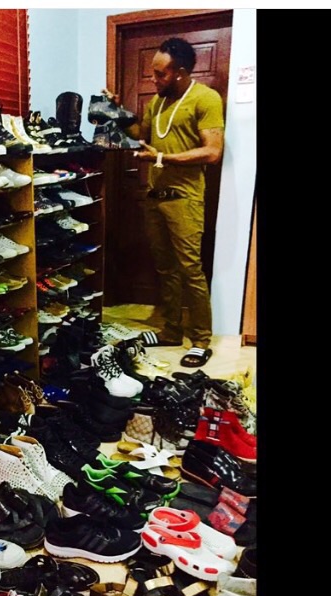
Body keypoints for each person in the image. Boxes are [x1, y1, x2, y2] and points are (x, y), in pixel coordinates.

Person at [105, 37, 225, 368]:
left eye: (160, 74)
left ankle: (201, 340)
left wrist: (162, 158)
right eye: (153, 73)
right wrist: (119, 112)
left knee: (190, 270)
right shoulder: (157, 103)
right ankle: (171, 331)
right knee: (165, 269)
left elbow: (212, 151)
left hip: (185, 198)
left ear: (181, 72)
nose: (154, 79)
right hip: (155, 197)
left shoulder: (206, 98)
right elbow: (140, 133)